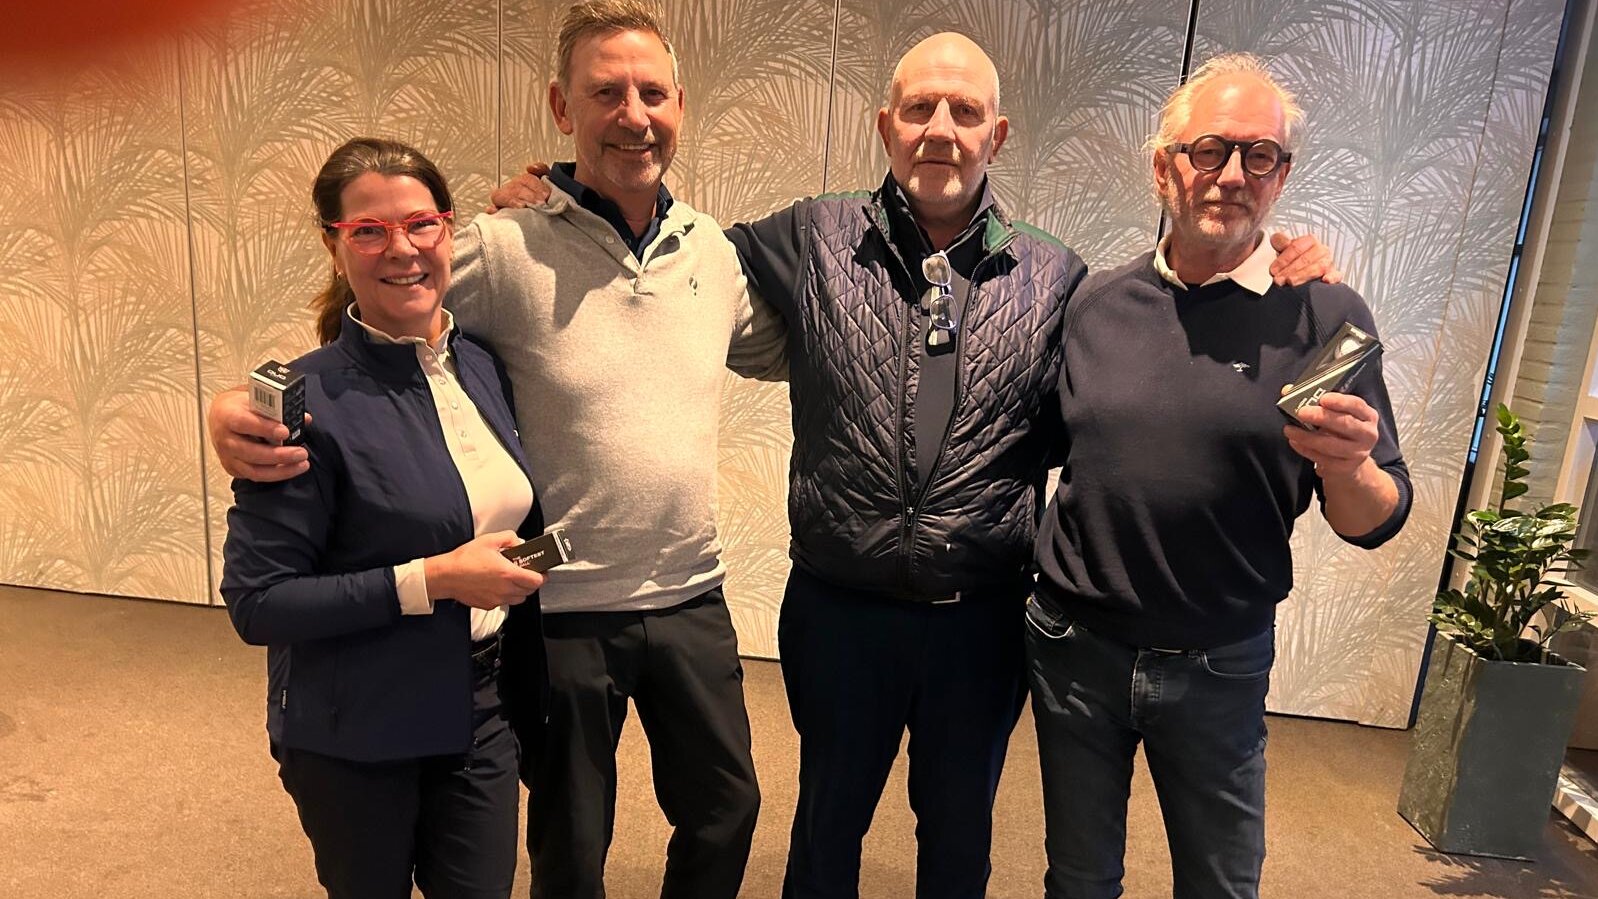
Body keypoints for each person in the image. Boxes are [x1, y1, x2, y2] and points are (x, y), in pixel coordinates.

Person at [490, 31, 1340, 899]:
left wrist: (1276, 268)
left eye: (965, 112)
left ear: (995, 136)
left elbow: (1128, 377)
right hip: (839, 613)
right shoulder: (812, 235)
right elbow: (661, 249)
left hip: (981, 619)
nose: (941, 129)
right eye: (920, 108)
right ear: (885, 125)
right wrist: (560, 197)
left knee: (959, 839)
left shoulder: (1057, 277)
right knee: (825, 830)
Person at [208, 4, 786, 898]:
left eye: (652, 92)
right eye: (606, 92)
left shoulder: (710, 248)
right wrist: (233, 404)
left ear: (681, 103)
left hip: (689, 591)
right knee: (571, 841)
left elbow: (785, 351)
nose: (633, 114)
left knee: (728, 807)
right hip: (558, 606)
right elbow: (379, 313)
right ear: (562, 107)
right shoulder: (504, 245)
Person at [1027, 53, 1412, 899]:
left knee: (1221, 885)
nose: (1232, 175)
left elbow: (1375, 515)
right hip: (1075, 651)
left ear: (1282, 176)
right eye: (1210, 150)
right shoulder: (1095, 304)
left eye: (1259, 155)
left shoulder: (1326, 315)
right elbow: (1046, 446)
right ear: (1164, 167)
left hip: (1220, 663)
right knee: (1078, 880)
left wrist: (1350, 466)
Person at [219, 136, 547, 899]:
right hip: (355, 728)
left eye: (421, 223)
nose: (402, 248)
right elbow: (257, 602)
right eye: (369, 230)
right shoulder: (301, 403)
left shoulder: (482, 366)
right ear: (333, 246)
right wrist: (434, 579)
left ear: (449, 230)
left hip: (480, 711)